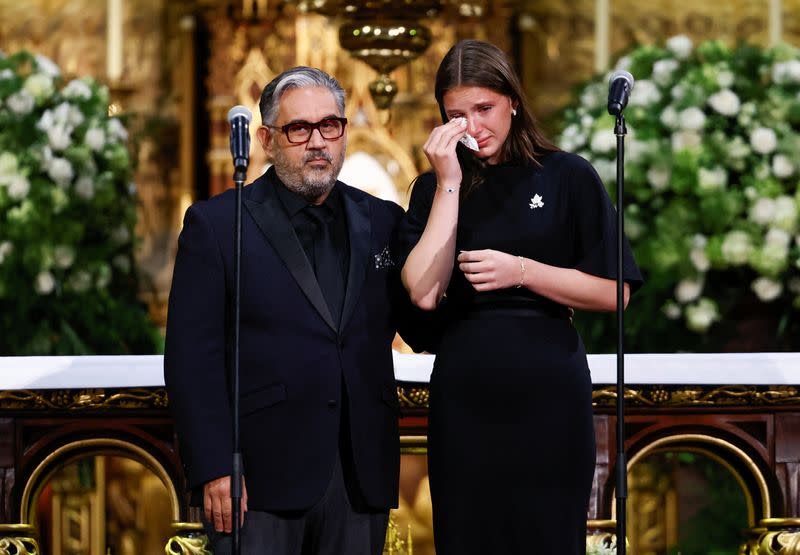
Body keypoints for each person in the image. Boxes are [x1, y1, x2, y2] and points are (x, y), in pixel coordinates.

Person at [396, 40, 643, 554]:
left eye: (483, 108)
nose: (473, 126)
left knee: (548, 535)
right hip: (467, 392)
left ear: (512, 99)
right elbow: (422, 293)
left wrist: (522, 272)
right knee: (468, 536)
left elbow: (614, 291)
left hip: (548, 388)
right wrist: (448, 183)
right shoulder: (434, 187)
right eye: (456, 115)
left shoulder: (566, 175)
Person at [164, 66, 414, 555]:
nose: (317, 141)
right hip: (258, 478)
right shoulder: (217, 225)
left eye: (330, 126)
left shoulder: (382, 219)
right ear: (267, 139)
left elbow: (423, 323)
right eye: (299, 129)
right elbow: (192, 358)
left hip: (359, 474)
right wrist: (215, 465)